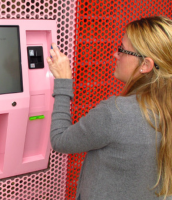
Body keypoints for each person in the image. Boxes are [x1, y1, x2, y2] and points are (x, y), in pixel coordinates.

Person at [47, 16, 172, 200]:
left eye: (122, 50)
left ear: (145, 65)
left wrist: (63, 83)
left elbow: (60, 140)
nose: (116, 54)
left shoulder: (116, 113)